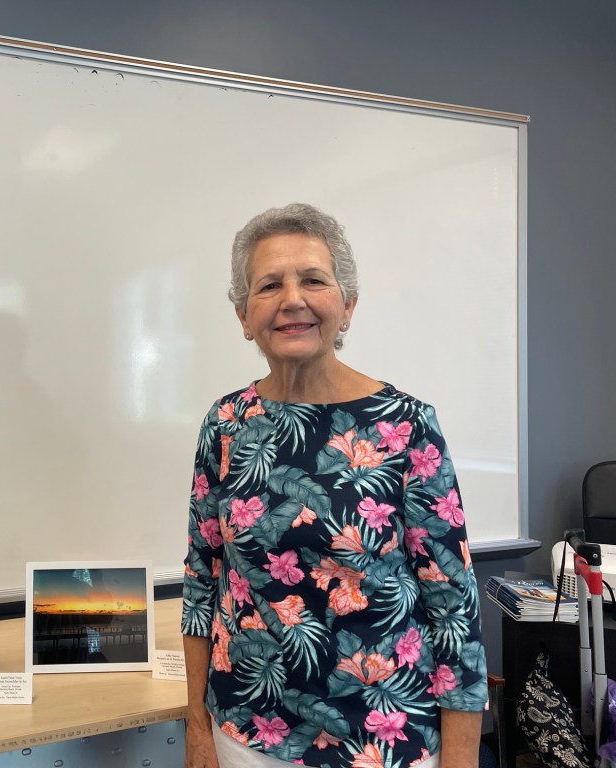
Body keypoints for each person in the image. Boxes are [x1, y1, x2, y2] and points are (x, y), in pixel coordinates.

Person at [181, 203, 487, 768]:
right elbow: (203, 578)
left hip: (383, 740)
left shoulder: (406, 425)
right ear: (244, 315)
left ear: (347, 306)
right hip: (243, 733)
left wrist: (463, 758)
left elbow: (453, 603)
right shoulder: (225, 423)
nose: (292, 299)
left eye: (313, 280)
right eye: (269, 285)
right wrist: (196, 726)